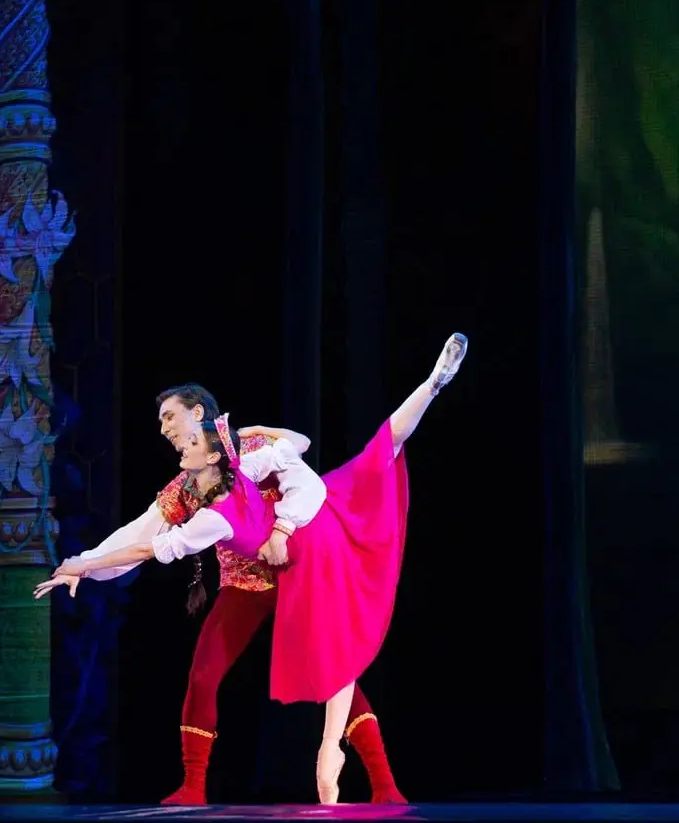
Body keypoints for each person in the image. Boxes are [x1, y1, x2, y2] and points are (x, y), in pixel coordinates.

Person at [41, 334, 467, 804]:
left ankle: (384, 785)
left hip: (301, 570)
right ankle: (193, 785)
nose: (163, 429)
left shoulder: (249, 452)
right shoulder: (187, 490)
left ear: (197, 414)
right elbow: (140, 536)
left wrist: (283, 527)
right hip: (245, 585)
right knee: (204, 672)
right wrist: (84, 564)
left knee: (338, 669)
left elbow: (304, 473)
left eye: (169, 417)